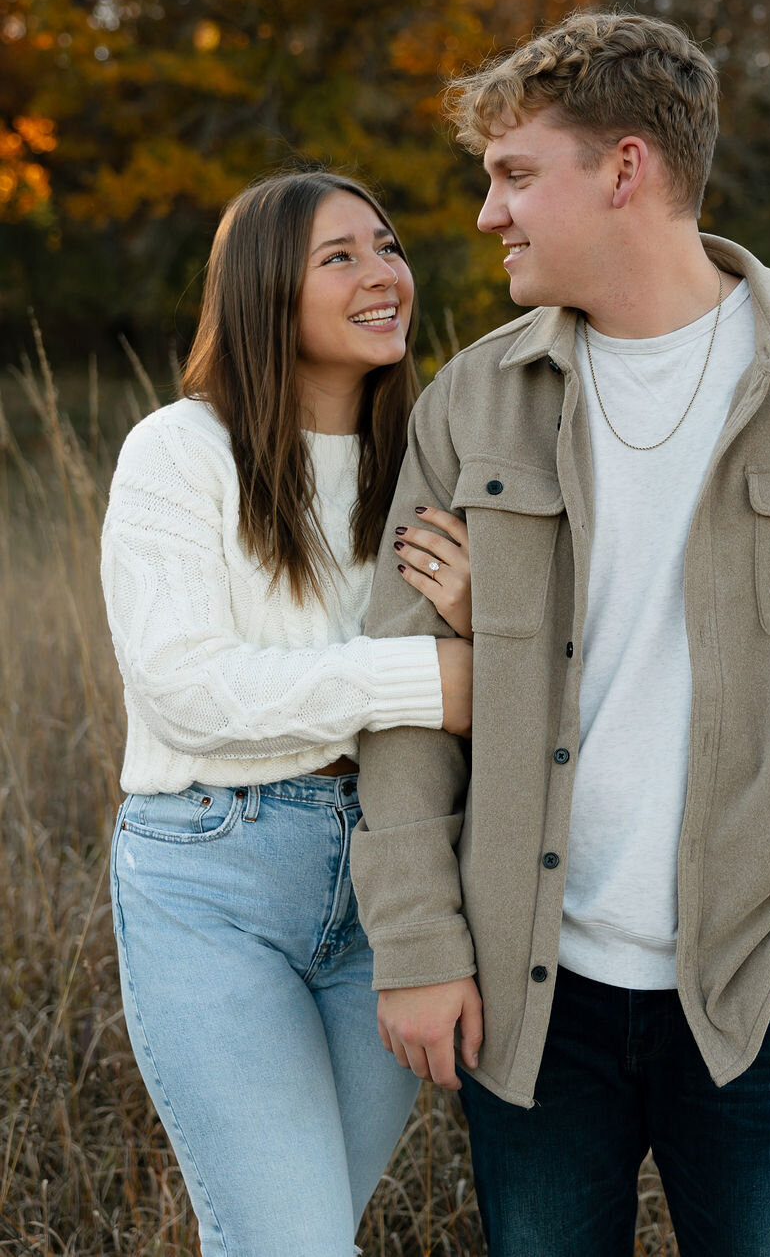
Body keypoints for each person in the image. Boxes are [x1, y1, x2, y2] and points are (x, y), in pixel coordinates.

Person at [350, 11, 770, 1256]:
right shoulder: (475, 401)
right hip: (534, 992)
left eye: (517, 175)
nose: (488, 214)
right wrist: (420, 941)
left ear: (626, 169)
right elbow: (407, 694)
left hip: (761, 982)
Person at [102, 169, 475, 1257]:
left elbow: (528, 678)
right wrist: (427, 679)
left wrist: (484, 622)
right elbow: (189, 688)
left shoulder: (431, 461)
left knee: (298, 1234)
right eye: (340, 257)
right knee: (289, 1243)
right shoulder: (179, 452)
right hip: (212, 876)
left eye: (388, 245)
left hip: (394, 884)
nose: (383, 275)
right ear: (268, 290)